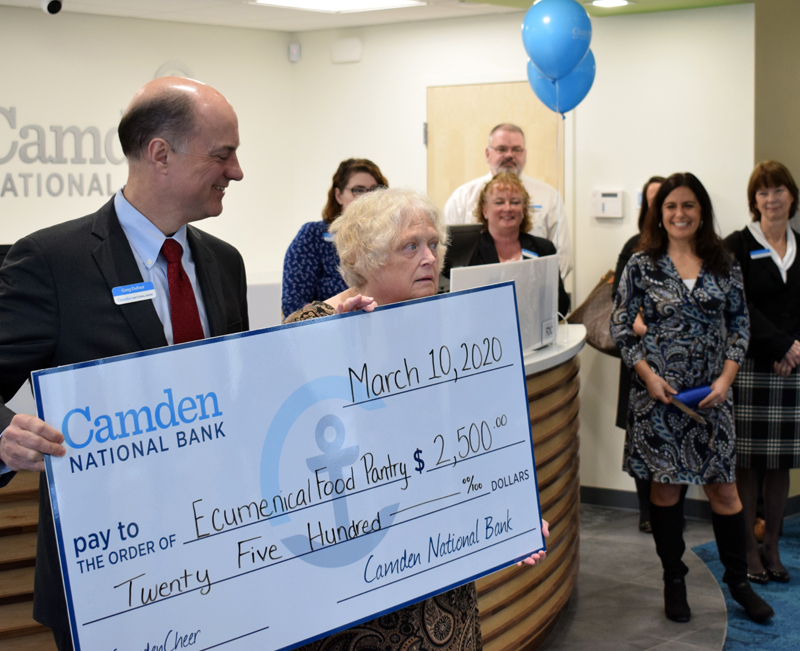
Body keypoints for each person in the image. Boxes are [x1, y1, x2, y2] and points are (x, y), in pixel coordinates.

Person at [0, 77, 248, 651]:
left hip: (222, 558)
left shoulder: (223, 263)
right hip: (109, 572)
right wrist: (4, 440)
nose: (237, 172)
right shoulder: (52, 262)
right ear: (160, 154)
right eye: (223, 154)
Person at [286, 187, 549, 650]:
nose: (430, 258)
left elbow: (478, 437)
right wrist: (330, 341)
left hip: (441, 571)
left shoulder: (447, 324)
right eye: (411, 246)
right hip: (360, 574)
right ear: (363, 259)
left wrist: (513, 513)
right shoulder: (312, 326)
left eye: (434, 244)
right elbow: (284, 439)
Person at [610, 172, 773, 624]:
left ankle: (738, 583)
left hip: (712, 400)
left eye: (688, 206)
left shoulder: (724, 262)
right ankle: (674, 580)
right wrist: (647, 377)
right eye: (670, 207)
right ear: (659, 215)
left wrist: (726, 380)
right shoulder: (642, 264)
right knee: (665, 489)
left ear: (702, 211)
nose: (679, 214)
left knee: (724, 490)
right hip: (659, 400)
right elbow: (621, 326)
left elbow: (741, 327)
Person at [725, 161, 800, 585]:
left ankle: (772, 542)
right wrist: (781, 345)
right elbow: (738, 305)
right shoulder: (737, 245)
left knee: (780, 463)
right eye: (763, 193)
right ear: (754, 202)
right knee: (749, 462)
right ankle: (749, 549)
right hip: (751, 363)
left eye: (778, 191)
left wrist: (796, 347)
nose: (771, 200)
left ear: (792, 195)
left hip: (793, 365)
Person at [613, 176, 685, 534]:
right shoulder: (635, 249)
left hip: (677, 365)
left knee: (679, 437)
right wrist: (654, 332)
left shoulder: (688, 251)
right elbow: (622, 307)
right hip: (642, 359)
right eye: (657, 202)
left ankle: (674, 509)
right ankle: (646, 511)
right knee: (644, 441)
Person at [443, 123, 572, 278]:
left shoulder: (549, 196)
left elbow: (562, 257)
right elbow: (446, 254)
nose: (509, 155)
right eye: (502, 149)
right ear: (487, 153)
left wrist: (543, 289)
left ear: (525, 154)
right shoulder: (462, 197)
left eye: (516, 149)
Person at [281, 158, 388, 317]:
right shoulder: (312, 236)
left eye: (373, 191)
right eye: (358, 190)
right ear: (338, 196)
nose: (367, 198)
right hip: (325, 332)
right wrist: (341, 315)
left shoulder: (387, 239)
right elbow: (293, 304)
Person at [467, 172, 570, 316]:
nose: (508, 208)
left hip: (534, 335)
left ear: (523, 210)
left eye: (515, 202)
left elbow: (562, 307)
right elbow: (466, 309)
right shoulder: (469, 252)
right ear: (485, 210)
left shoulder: (544, 249)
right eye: (499, 202)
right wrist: (502, 278)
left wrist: (531, 283)